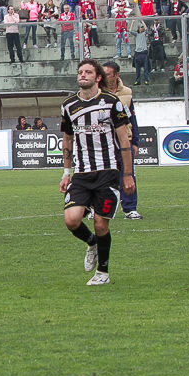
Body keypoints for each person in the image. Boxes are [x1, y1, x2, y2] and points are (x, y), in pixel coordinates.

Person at [60, 59, 135, 286]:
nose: (83, 75)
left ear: (98, 77)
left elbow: (123, 138)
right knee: (71, 220)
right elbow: (67, 139)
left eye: (88, 72)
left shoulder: (111, 102)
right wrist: (66, 172)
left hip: (108, 171)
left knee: (102, 224)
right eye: (80, 72)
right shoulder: (68, 105)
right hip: (82, 174)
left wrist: (128, 174)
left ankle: (103, 272)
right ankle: (91, 242)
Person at [102, 62, 142, 220]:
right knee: (102, 176)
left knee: (128, 173)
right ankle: (96, 208)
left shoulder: (127, 93)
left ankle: (130, 209)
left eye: (108, 74)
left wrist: (135, 142)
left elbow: (132, 118)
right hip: (104, 141)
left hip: (125, 140)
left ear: (116, 75)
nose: (104, 77)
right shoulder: (97, 92)